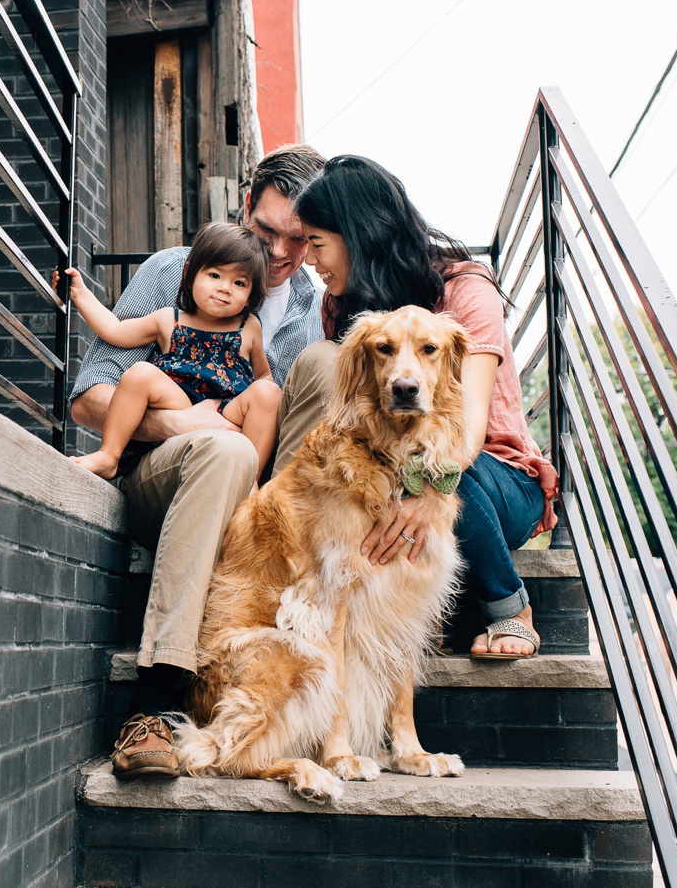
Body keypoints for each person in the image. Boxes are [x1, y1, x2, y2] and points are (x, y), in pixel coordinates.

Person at [68, 144, 327, 778]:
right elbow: (88, 396)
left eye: (301, 240)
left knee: (263, 422)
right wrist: (181, 421)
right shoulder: (170, 273)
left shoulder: (309, 316)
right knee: (221, 445)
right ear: (245, 207)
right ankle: (153, 701)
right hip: (161, 477)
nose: (278, 254)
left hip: (242, 508)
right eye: (267, 231)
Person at [288, 154, 558, 659]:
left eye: (317, 243)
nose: (309, 260)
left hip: (492, 477)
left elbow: (469, 432)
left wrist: (430, 494)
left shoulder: (465, 291)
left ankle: (509, 607)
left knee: (436, 461)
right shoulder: (342, 310)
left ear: (358, 235)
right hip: (394, 470)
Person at [64, 223, 281, 480]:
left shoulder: (249, 326)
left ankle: (248, 481)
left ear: (250, 294)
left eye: (239, 282)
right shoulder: (169, 319)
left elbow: (263, 376)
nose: (225, 288)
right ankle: (109, 455)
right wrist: (80, 294)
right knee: (140, 373)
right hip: (178, 405)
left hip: (227, 409)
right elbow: (114, 329)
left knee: (269, 392)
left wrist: (265, 399)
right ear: (189, 274)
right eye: (214, 275)